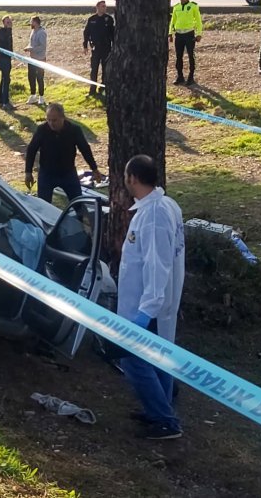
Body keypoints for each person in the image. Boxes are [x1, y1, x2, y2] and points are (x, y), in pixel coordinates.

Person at [118, 155, 185, 440]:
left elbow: (157, 266)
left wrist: (145, 312)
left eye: (125, 176)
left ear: (132, 178)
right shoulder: (164, 206)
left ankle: (165, 420)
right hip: (154, 303)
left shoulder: (155, 215)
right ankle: (159, 408)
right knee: (160, 358)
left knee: (134, 359)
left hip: (149, 306)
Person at [24, 103, 102, 202]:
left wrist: (94, 169)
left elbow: (85, 149)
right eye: (48, 120)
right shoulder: (42, 130)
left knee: (78, 203)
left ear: (63, 118)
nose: (51, 123)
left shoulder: (74, 130)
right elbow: (31, 150)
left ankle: (80, 217)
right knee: (43, 205)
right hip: (47, 173)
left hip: (68, 173)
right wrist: (28, 172)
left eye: (54, 120)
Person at [168, 0, 203, 86]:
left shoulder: (193, 6)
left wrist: (199, 34)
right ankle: (180, 76)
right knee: (178, 56)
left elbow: (198, 21)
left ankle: (191, 77)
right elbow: (173, 21)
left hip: (189, 34)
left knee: (191, 55)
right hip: (179, 34)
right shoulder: (176, 7)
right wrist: (170, 33)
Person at [83, 0, 114, 96]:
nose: (105, 8)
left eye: (105, 6)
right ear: (97, 7)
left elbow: (112, 33)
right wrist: (85, 45)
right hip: (96, 48)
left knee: (106, 69)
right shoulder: (92, 19)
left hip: (106, 48)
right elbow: (86, 33)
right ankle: (92, 90)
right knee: (94, 69)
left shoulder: (108, 19)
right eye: (102, 6)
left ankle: (103, 89)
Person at [23, 16, 47, 106]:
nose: (30, 23)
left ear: (36, 22)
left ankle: (41, 97)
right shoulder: (33, 31)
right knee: (31, 77)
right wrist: (28, 47)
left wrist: (31, 49)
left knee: (40, 78)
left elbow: (42, 46)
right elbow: (31, 43)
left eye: (31, 22)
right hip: (32, 58)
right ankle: (33, 95)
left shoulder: (42, 33)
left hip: (40, 59)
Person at [0, 15, 14, 110]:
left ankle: (2, 101)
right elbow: (3, 42)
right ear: (3, 23)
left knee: (4, 79)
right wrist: (8, 30)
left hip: (7, 58)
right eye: (7, 22)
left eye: (10, 22)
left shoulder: (9, 32)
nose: (9, 24)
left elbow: (10, 46)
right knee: (6, 80)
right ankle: (5, 102)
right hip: (2, 59)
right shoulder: (0, 32)